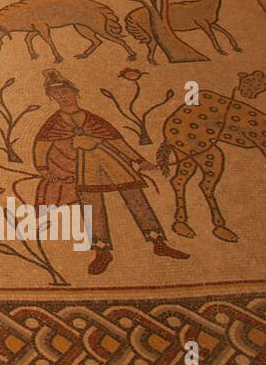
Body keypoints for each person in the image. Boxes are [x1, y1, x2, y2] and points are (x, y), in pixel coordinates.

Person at [31, 69, 189, 275]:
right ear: (51, 98)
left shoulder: (92, 119)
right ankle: (102, 251)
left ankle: (158, 241)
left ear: (75, 92)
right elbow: (41, 145)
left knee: (135, 196)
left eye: (66, 92)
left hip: (111, 163)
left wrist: (139, 161)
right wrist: (43, 168)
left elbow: (116, 141)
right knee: (91, 204)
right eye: (57, 94)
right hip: (83, 168)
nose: (63, 96)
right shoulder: (54, 122)